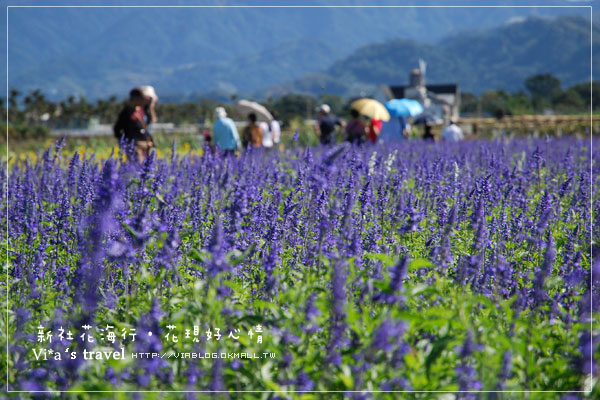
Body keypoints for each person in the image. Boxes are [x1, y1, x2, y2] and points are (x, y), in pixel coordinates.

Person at [114, 88, 154, 162]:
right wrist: (124, 143)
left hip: (145, 145)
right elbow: (117, 128)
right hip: (134, 145)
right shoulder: (127, 112)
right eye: (141, 98)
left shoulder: (141, 110)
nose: (143, 101)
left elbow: (151, 122)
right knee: (137, 167)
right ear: (135, 99)